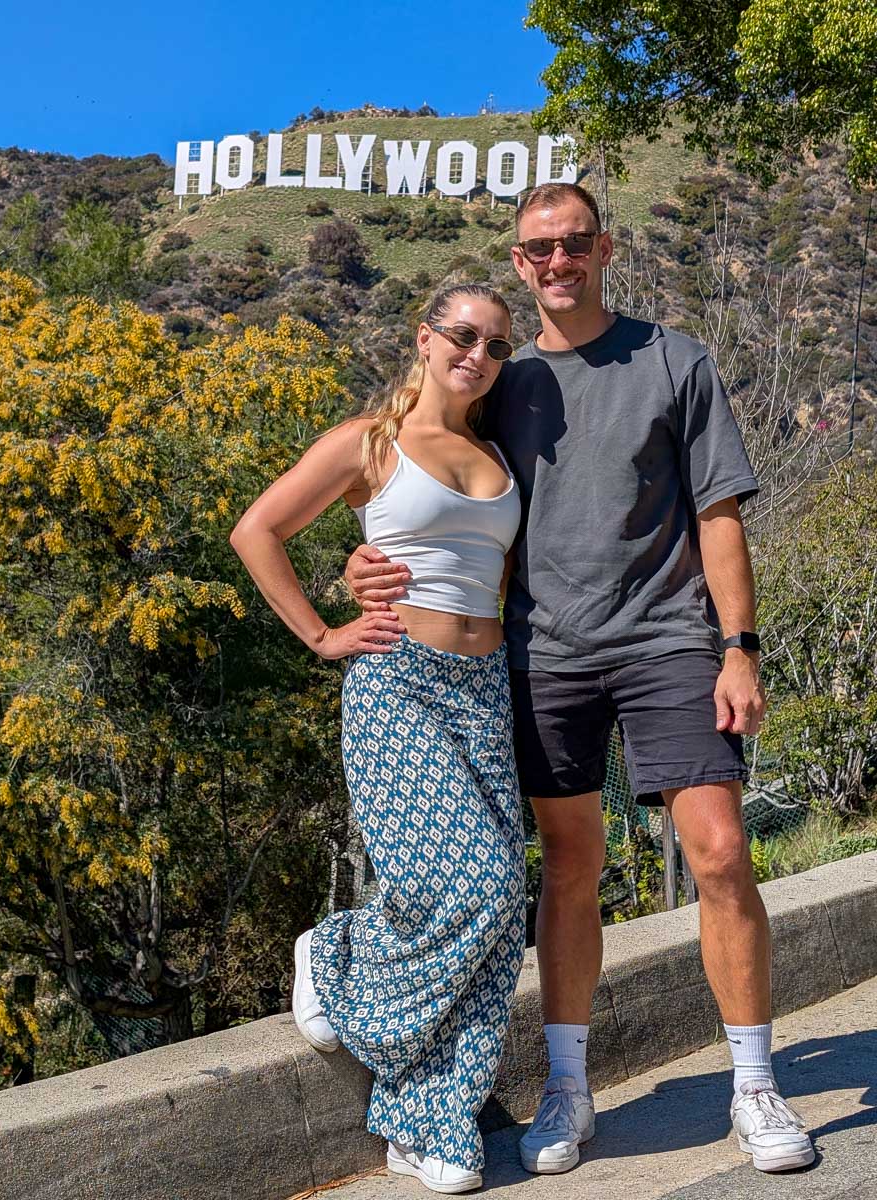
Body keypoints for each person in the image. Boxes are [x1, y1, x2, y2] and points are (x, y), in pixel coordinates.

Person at [345, 182, 815, 1176]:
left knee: (721, 852)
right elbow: (424, 485)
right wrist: (365, 563)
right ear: (519, 262)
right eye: (538, 248)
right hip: (544, 655)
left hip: (669, 642)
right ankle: (568, 1087)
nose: (557, 261)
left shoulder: (675, 360)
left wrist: (740, 646)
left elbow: (719, 514)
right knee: (569, 866)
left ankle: (754, 1085)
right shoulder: (502, 381)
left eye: (573, 243)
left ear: (604, 249)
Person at [230, 282, 527, 1195]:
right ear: (424, 338)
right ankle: (336, 955)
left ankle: (430, 1120)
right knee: (472, 879)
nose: (478, 355)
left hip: (483, 688)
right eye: (463, 335)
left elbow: (498, 572)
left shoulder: (499, 453)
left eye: (497, 346)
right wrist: (323, 634)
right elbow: (257, 530)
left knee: (503, 910)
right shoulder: (370, 442)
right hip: (398, 680)